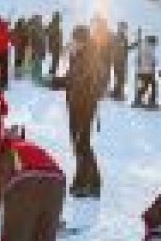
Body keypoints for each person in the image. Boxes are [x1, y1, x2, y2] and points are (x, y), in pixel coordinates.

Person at [56, 25, 105, 198]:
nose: (73, 43)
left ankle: (84, 182)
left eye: (75, 40)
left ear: (82, 41)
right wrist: (58, 82)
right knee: (81, 143)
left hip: (84, 106)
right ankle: (93, 182)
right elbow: (71, 79)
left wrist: (56, 82)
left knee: (81, 144)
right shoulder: (79, 56)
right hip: (77, 104)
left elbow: (75, 80)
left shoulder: (88, 57)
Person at [108, 21, 135, 101]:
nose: (124, 29)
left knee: (120, 78)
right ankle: (118, 93)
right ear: (119, 28)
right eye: (123, 28)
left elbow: (125, 48)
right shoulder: (118, 37)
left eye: (125, 28)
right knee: (121, 78)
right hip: (118, 61)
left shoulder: (122, 37)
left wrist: (133, 45)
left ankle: (117, 92)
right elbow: (119, 48)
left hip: (120, 60)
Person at [132, 34, 158, 109]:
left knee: (146, 85)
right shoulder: (148, 48)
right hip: (146, 71)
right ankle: (151, 101)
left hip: (142, 71)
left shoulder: (144, 46)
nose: (155, 45)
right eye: (154, 43)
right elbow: (148, 59)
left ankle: (138, 99)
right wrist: (153, 63)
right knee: (152, 85)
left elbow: (138, 59)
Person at [29, 15, 48, 86]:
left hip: (39, 49)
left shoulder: (38, 28)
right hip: (37, 49)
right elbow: (33, 40)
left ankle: (36, 77)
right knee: (36, 63)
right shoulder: (36, 29)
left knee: (38, 63)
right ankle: (35, 77)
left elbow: (43, 40)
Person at [47, 11, 63, 78]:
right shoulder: (54, 25)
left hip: (55, 46)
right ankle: (52, 74)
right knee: (55, 61)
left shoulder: (54, 25)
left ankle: (52, 73)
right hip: (55, 46)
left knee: (55, 61)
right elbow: (56, 37)